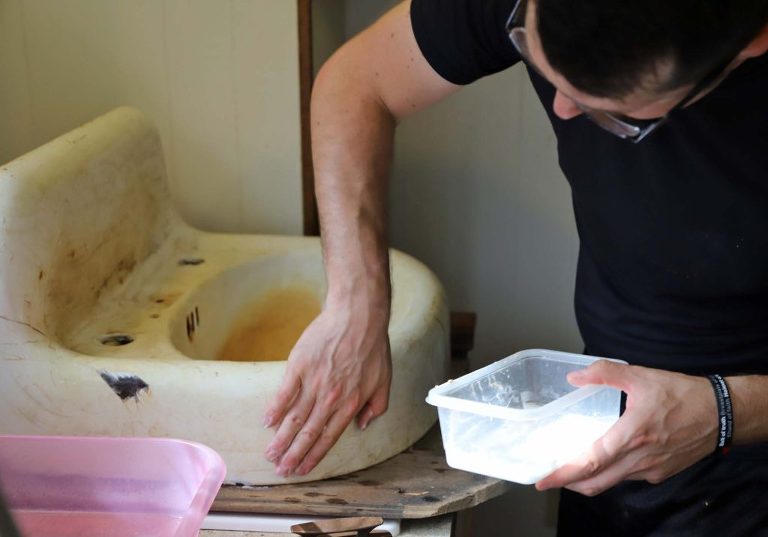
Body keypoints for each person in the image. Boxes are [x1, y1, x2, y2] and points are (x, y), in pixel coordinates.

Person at [262, 0, 768, 534]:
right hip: (607, 432)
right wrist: (356, 299)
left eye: (611, 113)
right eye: (539, 59)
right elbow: (358, 81)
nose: (561, 108)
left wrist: (723, 411)